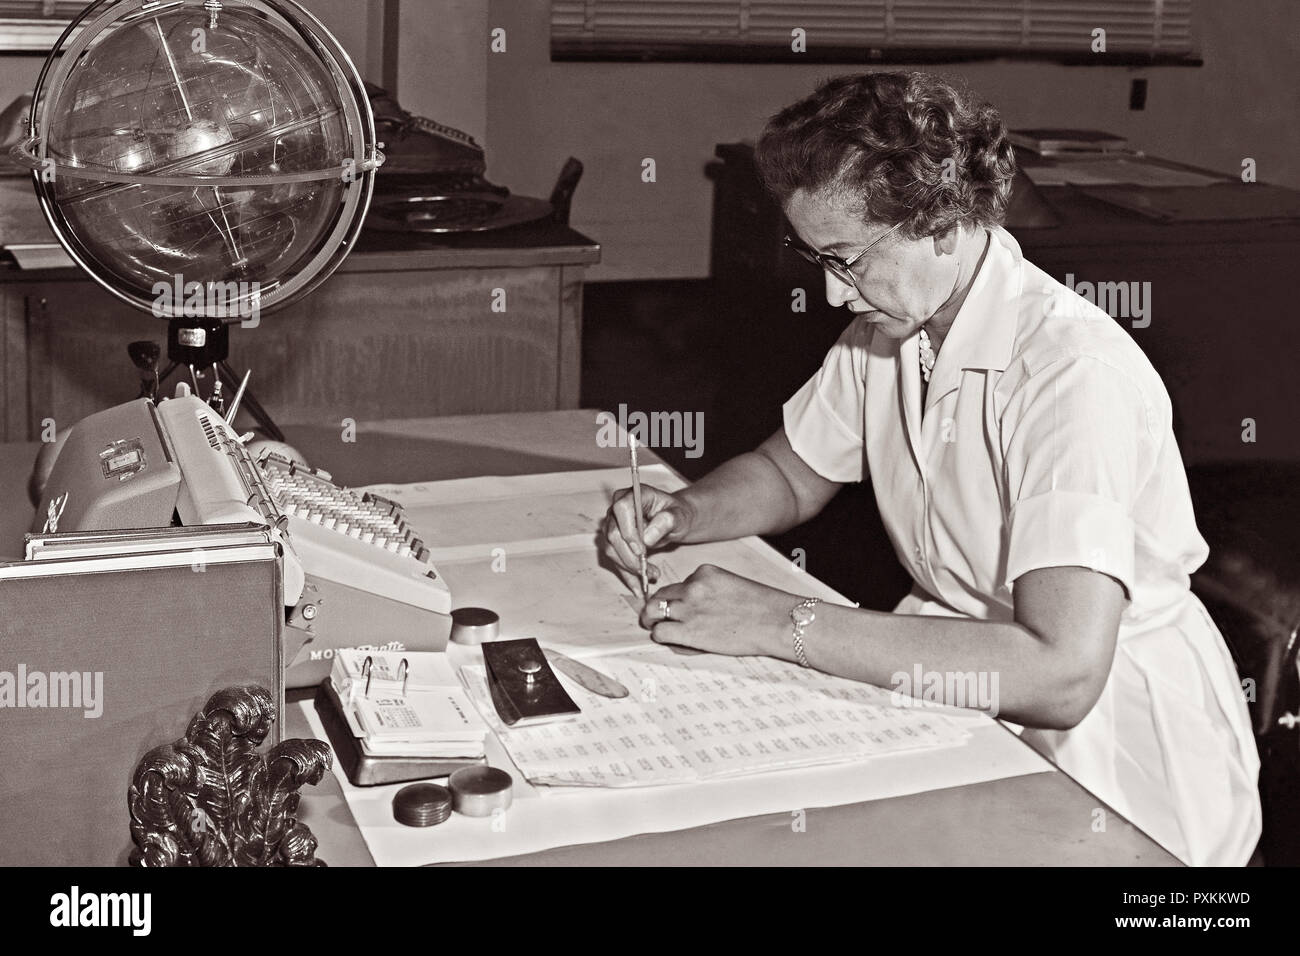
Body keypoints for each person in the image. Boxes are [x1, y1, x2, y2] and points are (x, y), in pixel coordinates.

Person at [599, 71, 1260, 866]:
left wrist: (778, 622)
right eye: (814, 257)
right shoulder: (894, 329)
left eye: (846, 260)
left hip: (1114, 752)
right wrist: (686, 511)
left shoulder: (1072, 375)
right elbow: (792, 473)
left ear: (944, 225)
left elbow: (1062, 672)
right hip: (958, 674)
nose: (832, 293)